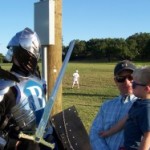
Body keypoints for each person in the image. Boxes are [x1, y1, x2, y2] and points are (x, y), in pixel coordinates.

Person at [0, 27, 58, 150]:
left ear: (21, 55)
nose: (12, 54)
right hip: (46, 142)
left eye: (15, 51)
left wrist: (11, 143)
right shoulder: (40, 82)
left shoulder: (7, 86)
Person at [89, 60, 137, 150]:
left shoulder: (144, 106)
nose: (127, 82)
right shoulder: (106, 106)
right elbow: (94, 134)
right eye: (121, 78)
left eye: (131, 77)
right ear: (115, 81)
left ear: (137, 78)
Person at [100, 66, 150, 150]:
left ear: (146, 89)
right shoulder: (138, 103)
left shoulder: (147, 109)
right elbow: (124, 119)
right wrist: (108, 132)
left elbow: (148, 137)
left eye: (134, 84)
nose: (130, 84)